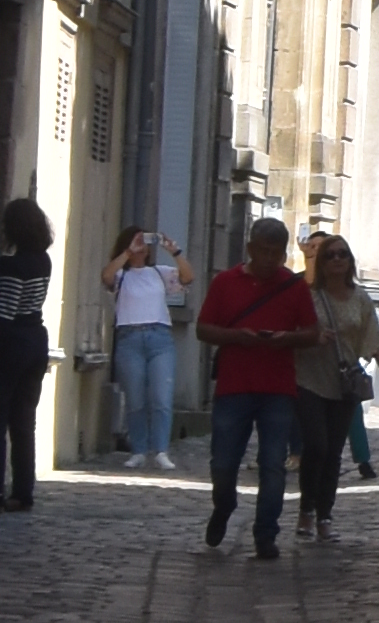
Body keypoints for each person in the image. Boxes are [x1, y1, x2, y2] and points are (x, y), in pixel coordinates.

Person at [196, 218, 319, 558]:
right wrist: (238, 336)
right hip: (234, 386)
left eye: (276, 253)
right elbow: (203, 329)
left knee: (272, 464)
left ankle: (266, 533)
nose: (269, 260)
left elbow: (312, 333)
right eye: (263, 251)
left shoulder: (293, 288)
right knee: (223, 460)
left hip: (277, 388)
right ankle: (224, 504)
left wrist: (285, 339)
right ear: (250, 248)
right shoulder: (226, 282)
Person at [291, 235, 379, 547]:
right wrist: (312, 336)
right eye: (331, 255)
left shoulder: (360, 298)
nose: (337, 260)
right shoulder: (309, 296)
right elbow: (291, 329)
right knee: (315, 446)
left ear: (350, 261)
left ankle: (324, 515)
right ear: (322, 262)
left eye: (343, 255)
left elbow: (374, 338)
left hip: (344, 385)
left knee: (333, 453)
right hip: (310, 379)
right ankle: (306, 510)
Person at [0, 200, 55, 513]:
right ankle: (22, 491)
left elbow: (1, 316)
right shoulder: (42, 261)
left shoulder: (12, 270)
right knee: (23, 422)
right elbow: (15, 267)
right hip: (36, 341)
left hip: (12, 344)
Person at [106, 225, 185, 469]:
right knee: (136, 398)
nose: (142, 247)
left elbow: (187, 278)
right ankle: (139, 449)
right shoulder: (122, 275)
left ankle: (161, 450)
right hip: (129, 337)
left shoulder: (160, 273)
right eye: (137, 242)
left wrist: (175, 252)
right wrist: (128, 254)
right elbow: (106, 277)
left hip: (159, 337)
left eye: (145, 243)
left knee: (161, 397)